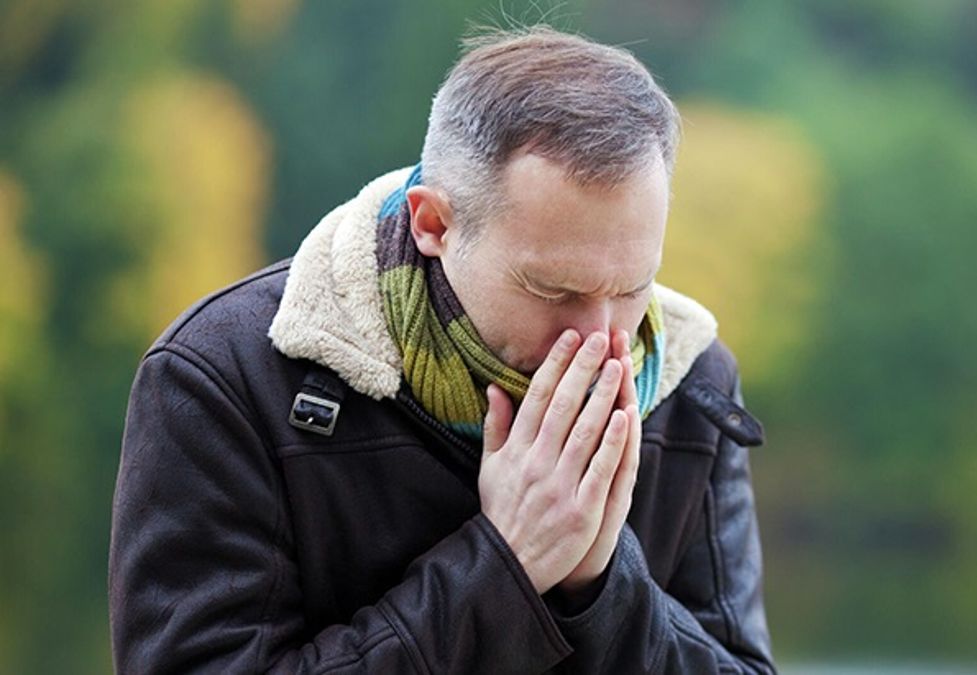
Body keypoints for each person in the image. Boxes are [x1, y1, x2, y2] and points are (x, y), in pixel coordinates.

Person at [109, 26, 775, 674]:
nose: (603, 339)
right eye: (554, 288)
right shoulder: (226, 376)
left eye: (631, 287)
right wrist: (503, 566)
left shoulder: (692, 381)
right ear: (434, 223)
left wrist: (601, 585)